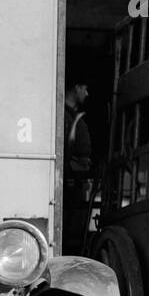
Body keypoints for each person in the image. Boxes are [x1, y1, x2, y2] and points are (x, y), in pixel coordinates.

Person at [63, 81, 92, 253]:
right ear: (77, 87)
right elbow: (65, 147)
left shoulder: (73, 115)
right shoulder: (64, 115)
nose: (87, 94)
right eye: (85, 88)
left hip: (75, 177)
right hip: (69, 178)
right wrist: (68, 176)